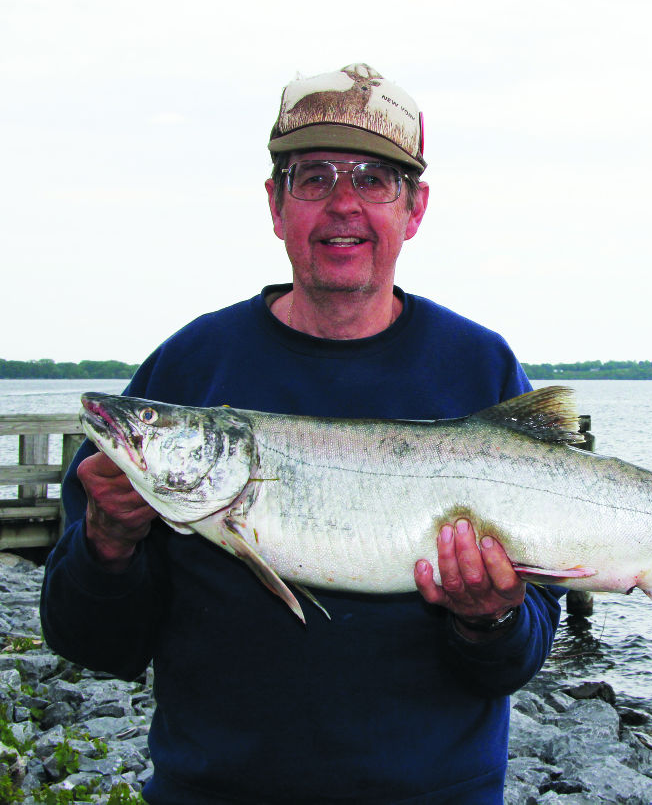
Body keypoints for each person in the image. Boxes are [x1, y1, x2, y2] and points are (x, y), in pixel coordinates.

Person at [40, 62, 564, 805]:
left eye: (373, 179)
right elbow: (91, 643)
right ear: (275, 204)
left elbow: (514, 661)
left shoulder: (479, 367)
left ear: (413, 209)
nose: (341, 205)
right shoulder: (186, 369)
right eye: (312, 177)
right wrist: (107, 544)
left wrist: (491, 619)